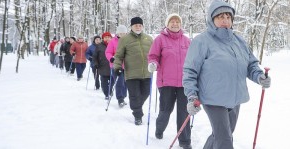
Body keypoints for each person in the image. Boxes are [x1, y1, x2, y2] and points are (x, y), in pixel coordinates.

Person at [182, 1, 271, 149]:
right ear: (212, 19)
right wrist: (192, 96)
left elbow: (251, 65)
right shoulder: (202, 41)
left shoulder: (239, 41)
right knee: (224, 141)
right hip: (213, 98)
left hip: (235, 98)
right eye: (220, 16)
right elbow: (190, 71)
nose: (225, 20)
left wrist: (260, 77)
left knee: (223, 134)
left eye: (228, 17)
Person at [147, 13, 192, 149]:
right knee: (166, 111)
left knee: (184, 113)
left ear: (180, 24)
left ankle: (185, 142)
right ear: (167, 24)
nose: (175, 24)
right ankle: (159, 129)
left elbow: (193, 59)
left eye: (177, 22)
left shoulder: (187, 41)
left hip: (184, 83)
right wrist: (153, 63)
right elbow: (153, 56)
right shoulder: (160, 39)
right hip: (166, 82)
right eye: (172, 22)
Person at [113, 17, 153, 125]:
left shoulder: (149, 39)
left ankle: (136, 105)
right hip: (131, 74)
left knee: (146, 92)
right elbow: (118, 56)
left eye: (140, 25)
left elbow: (155, 54)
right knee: (135, 95)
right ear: (131, 27)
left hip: (147, 73)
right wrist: (117, 67)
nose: (138, 27)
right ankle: (138, 115)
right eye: (136, 25)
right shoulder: (124, 39)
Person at [105, 25, 128, 107]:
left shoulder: (129, 41)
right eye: (120, 33)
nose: (122, 35)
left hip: (127, 66)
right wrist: (111, 58)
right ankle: (120, 99)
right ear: (117, 33)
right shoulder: (112, 41)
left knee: (126, 83)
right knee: (119, 82)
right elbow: (108, 52)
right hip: (115, 65)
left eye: (124, 33)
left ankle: (123, 96)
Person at [93, 32, 113, 99]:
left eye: (108, 37)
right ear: (103, 38)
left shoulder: (114, 44)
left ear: (111, 38)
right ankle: (106, 94)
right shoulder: (99, 46)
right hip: (102, 67)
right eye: (105, 37)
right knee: (104, 83)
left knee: (112, 82)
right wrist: (96, 63)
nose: (107, 38)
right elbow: (95, 56)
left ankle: (109, 92)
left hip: (112, 67)